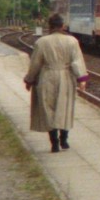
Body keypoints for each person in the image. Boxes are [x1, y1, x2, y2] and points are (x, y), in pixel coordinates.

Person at [23, 13, 89, 153]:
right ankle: (64, 139)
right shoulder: (72, 41)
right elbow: (77, 61)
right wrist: (81, 79)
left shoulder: (42, 42)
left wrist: (29, 79)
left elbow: (35, 63)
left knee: (48, 109)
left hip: (47, 76)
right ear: (63, 26)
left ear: (50, 26)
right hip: (66, 76)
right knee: (64, 107)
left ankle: (54, 143)